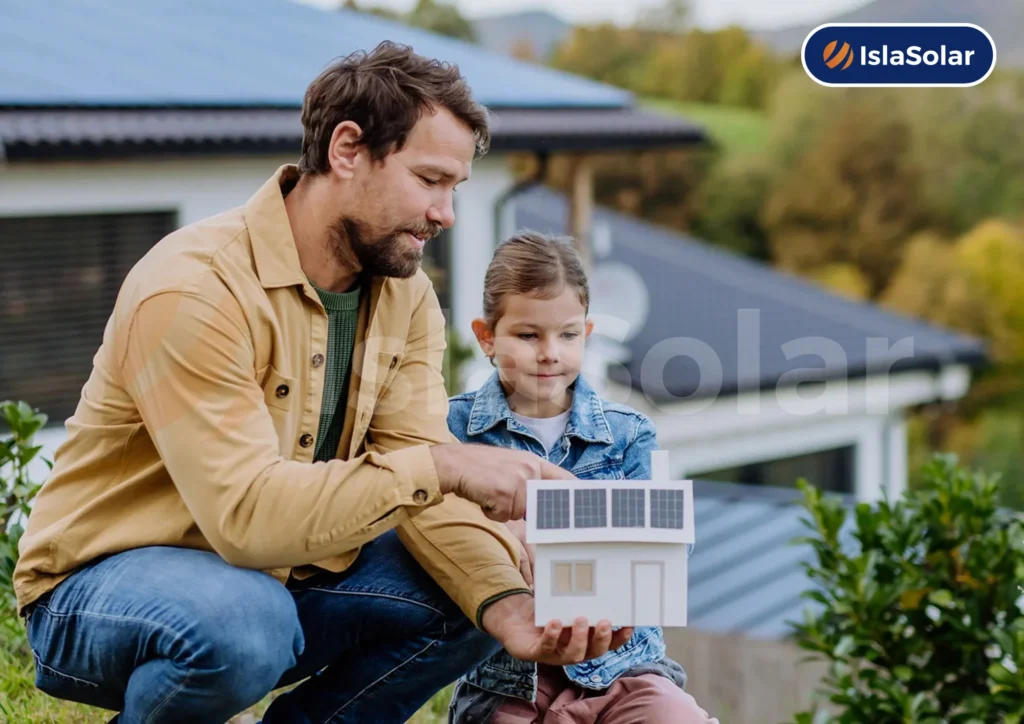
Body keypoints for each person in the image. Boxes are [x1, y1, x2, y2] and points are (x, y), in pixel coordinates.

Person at [12, 43, 633, 724]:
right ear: (347, 150)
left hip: (281, 578)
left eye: (455, 187)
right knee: (246, 623)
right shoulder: (194, 286)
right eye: (430, 180)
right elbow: (247, 519)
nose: (446, 213)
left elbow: (424, 487)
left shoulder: (405, 297)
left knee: (474, 579)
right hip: (99, 589)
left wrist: (509, 608)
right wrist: (445, 465)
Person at [445, 231, 720, 723]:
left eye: (567, 335)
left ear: (587, 335)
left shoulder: (629, 433)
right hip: (508, 679)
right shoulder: (453, 432)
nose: (550, 352)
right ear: (487, 336)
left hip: (625, 670)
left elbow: (667, 549)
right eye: (528, 336)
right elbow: (437, 541)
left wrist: (535, 535)